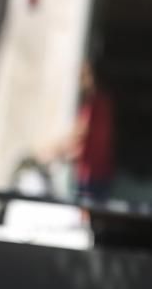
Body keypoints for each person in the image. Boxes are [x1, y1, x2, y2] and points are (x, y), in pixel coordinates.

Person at [42, 60, 115, 201]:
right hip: (97, 171)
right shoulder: (98, 102)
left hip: (93, 174)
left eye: (83, 76)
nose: (80, 82)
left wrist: (52, 151)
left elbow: (80, 132)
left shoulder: (95, 104)